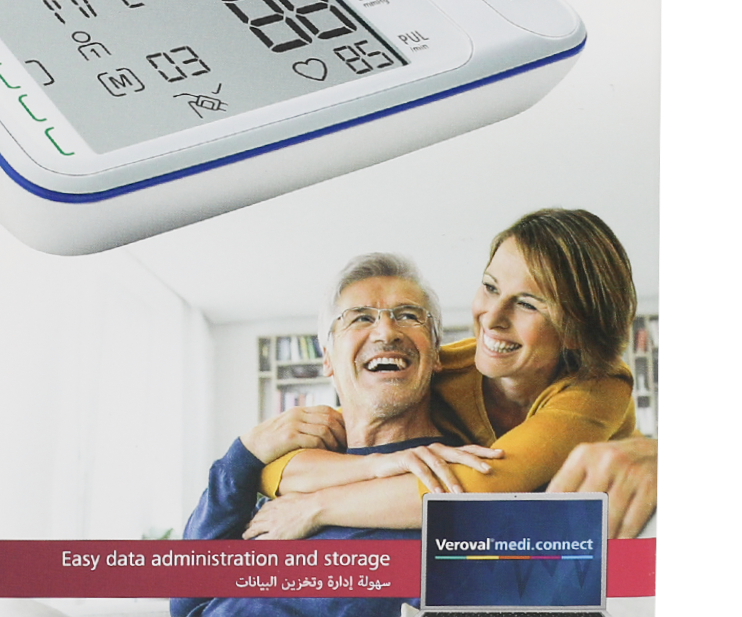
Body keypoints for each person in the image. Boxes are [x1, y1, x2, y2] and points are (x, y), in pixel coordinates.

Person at [243, 209, 645, 540]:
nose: (492, 317)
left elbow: (481, 485)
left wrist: (316, 507)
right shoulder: (440, 368)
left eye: (527, 304)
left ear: (575, 331)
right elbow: (277, 468)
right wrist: (374, 465)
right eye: (490, 287)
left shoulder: (600, 385)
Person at [166, 252, 484, 617]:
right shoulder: (298, 472)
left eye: (408, 315)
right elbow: (184, 599)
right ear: (327, 358)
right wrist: (245, 453)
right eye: (360, 318)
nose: (386, 331)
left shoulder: (458, 472)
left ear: (436, 353)